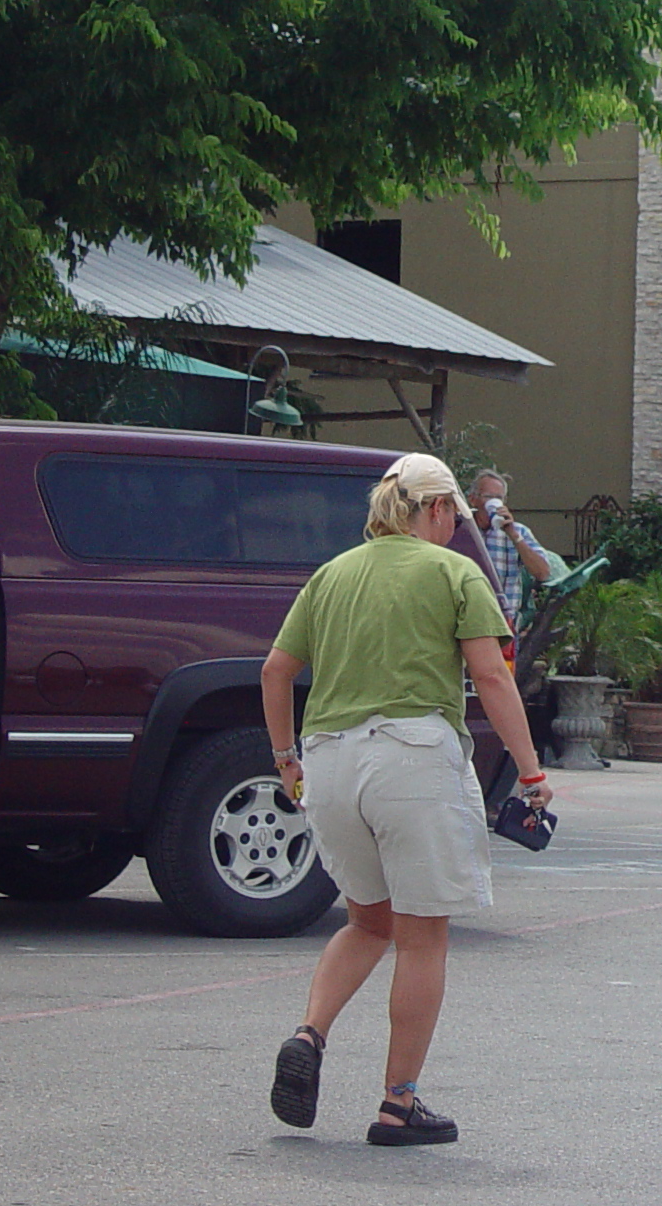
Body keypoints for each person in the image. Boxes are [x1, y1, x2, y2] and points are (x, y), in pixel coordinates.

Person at [260, 452, 553, 1148]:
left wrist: (285, 761)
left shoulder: (332, 573)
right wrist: (532, 774)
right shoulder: (453, 571)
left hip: (329, 762)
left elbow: (276, 672)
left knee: (368, 921)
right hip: (412, 757)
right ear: (440, 509)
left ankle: (310, 1032)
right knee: (423, 934)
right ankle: (398, 1104)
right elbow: (491, 677)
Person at [471, 468, 558, 628]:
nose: (494, 502)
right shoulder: (460, 528)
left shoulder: (518, 531)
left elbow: (543, 573)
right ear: (473, 500)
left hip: (503, 622)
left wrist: (513, 534)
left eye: (499, 498)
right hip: (466, 620)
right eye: (489, 497)